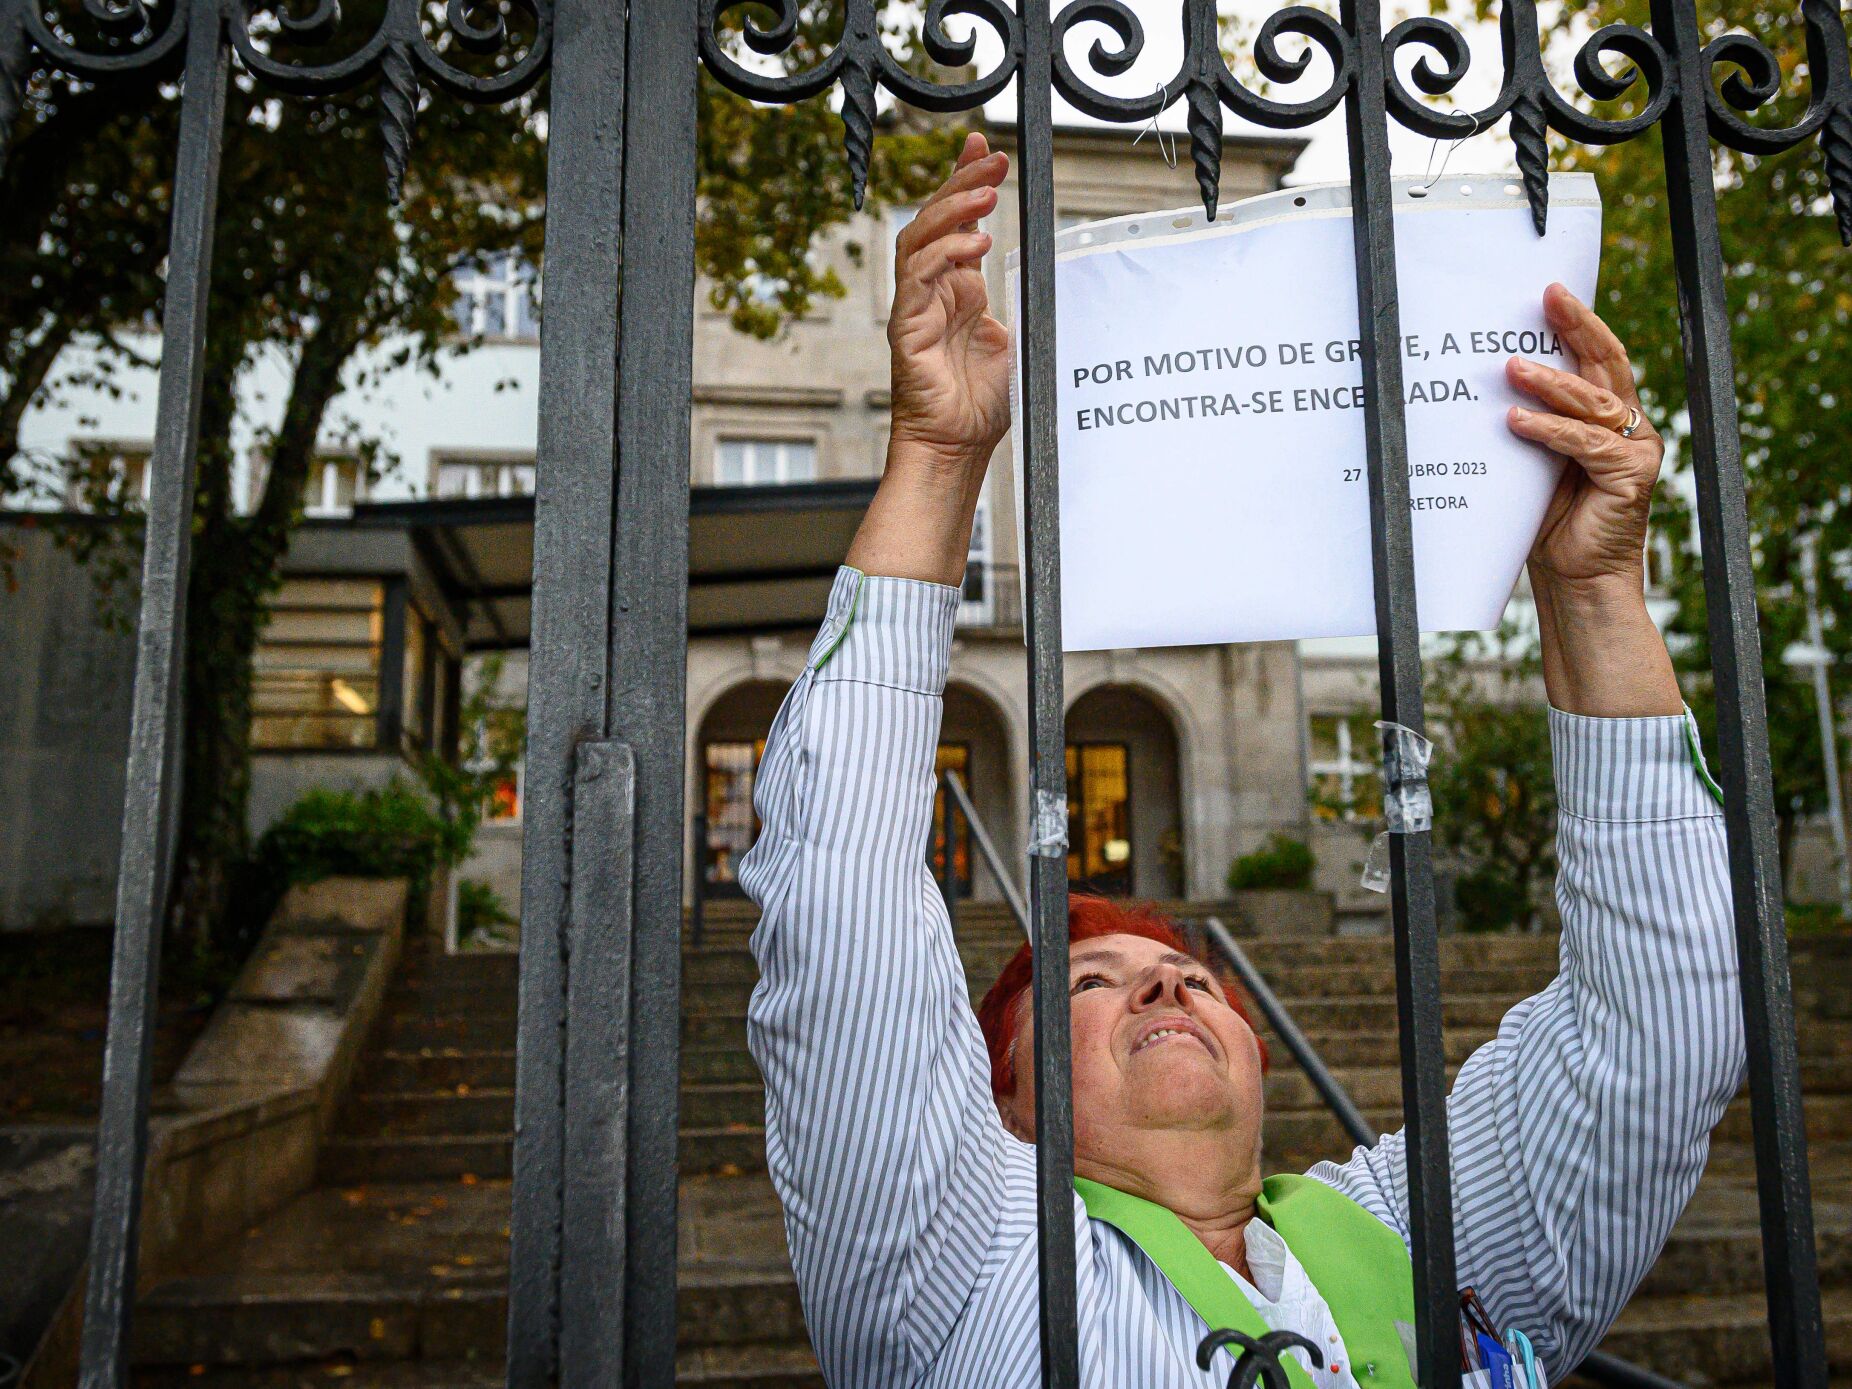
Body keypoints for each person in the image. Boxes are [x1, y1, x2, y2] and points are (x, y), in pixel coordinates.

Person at [736, 132, 1742, 1388]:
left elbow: (1667, 1029)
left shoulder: (1417, 1238)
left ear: (1260, 1054)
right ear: (1001, 1110)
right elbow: (839, 896)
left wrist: (1590, 589)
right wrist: (940, 467)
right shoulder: (959, 1263)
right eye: (1090, 985)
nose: (1167, 988)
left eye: (1187, 975)